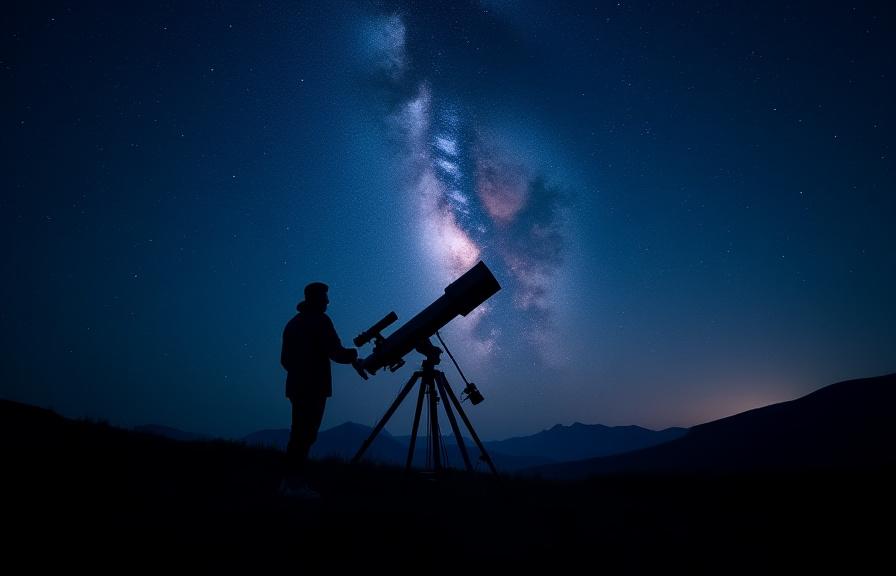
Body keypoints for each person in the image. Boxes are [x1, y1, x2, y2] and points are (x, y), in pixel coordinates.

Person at [279, 281, 358, 499]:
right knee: (306, 436)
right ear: (315, 299)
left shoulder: (293, 324)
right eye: (324, 298)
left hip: (296, 387)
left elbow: (284, 360)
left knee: (298, 434)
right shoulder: (321, 321)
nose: (327, 302)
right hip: (314, 388)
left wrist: (299, 371)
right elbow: (335, 351)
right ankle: (295, 485)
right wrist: (352, 355)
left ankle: (289, 481)